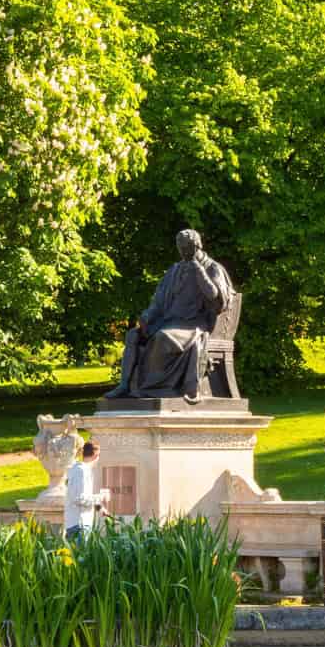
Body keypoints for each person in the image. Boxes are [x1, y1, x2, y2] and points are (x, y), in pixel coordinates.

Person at [105, 228, 236, 402]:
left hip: (193, 323)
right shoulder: (174, 270)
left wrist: (198, 269)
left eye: (186, 247)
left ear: (196, 246)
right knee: (133, 335)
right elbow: (159, 300)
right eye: (180, 247)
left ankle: (154, 388)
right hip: (169, 321)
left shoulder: (212, 268)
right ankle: (124, 386)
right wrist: (148, 315)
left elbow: (215, 297)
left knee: (163, 338)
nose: (182, 251)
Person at [63, 440, 110, 541]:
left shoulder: (80, 470)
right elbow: (79, 498)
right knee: (79, 556)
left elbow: (83, 496)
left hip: (78, 523)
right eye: (99, 455)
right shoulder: (81, 471)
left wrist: (99, 508)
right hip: (79, 525)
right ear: (95, 455)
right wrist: (101, 497)